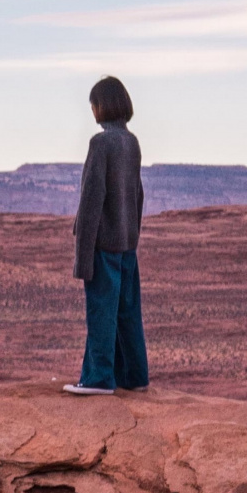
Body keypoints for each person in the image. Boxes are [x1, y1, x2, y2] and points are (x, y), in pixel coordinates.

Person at [63, 76, 149, 396]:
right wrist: (133, 235)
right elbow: (137, 195)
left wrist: (82, 259)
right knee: (127, 312)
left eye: (93, 105)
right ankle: (134, 376)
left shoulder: (101, 143)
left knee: (101, 311)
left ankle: (99, 378)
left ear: (102, 106)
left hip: (104, 244)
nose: (92, 111)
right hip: (127, 243)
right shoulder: (132, 142)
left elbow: (91, 201)